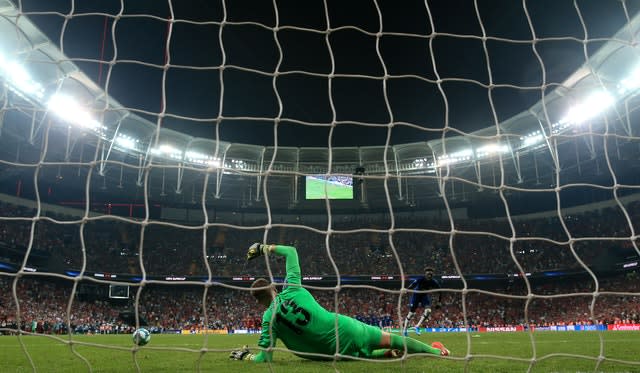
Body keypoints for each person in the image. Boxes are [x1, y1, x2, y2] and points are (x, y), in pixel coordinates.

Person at [229, 243, 449, 363]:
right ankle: (438, 352)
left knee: (359, 354)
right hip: (345, 328)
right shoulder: (292, 288)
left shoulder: (269, 320)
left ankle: (385, 355)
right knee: (392, 339)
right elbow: (291, 252)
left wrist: (245, 356)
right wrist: (262, 248)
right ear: (274, 288)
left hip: (333, 353)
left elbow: (264, 358)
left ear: (258, 303)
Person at [402, 267, 441, 336]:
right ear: (425, 273)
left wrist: (439, 301)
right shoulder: (420, 279)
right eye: (428, 272)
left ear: (432, 274)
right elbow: (413, 285)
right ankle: (405, 330)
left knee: (428, 311)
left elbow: (440, 291)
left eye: (430, 272)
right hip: (416, 295)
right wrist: (407, 289)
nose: (429, 274)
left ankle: (417, 326)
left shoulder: (434, 282)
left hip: (424, 296)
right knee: (411, 314)